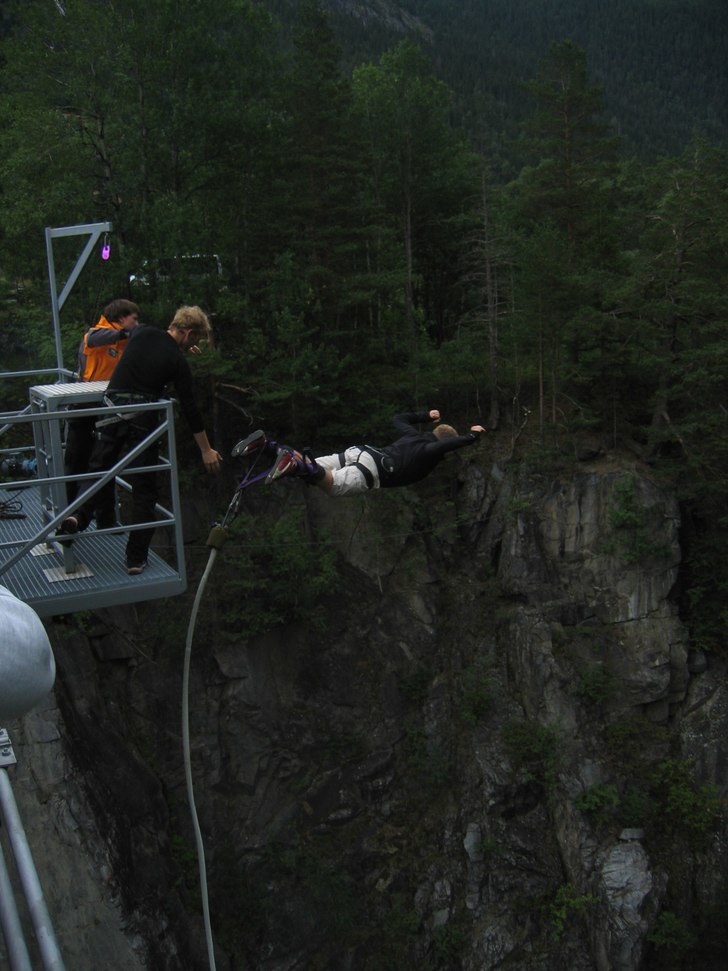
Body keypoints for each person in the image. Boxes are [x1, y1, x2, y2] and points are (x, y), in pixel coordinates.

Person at [60, 305, 222, 574]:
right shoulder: (177, 363)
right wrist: (206, 449)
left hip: (111, 410)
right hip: (141, 420)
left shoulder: (142, 332)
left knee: (99, 469)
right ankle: (135, 558)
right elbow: (191, 409)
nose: (195, 345)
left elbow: (149, 339)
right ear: (189, 333)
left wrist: (182, 344)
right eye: (195, 339)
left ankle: (78, 516)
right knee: (145, 487)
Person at [235, 410, 486, 497]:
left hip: (360, 453)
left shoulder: (413, 435)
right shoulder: (431, 451)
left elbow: (397, 418)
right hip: (373, 470)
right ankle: (296, 466)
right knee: (330, 485)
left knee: (309, 463)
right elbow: (441, 447)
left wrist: (423, 416)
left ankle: (268, 445)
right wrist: (471, 437)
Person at [64, 298, 140, 527]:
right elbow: (100, 338)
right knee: (77, 459)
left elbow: (149, 345)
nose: (137, 324)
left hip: (107, 402)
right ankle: (70, 512)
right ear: (121, 319)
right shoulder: (96, 334)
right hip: (84, 403)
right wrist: (129, 334)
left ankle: (106, 519)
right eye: (134, 319)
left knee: (104, 461)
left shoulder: (126, 337)